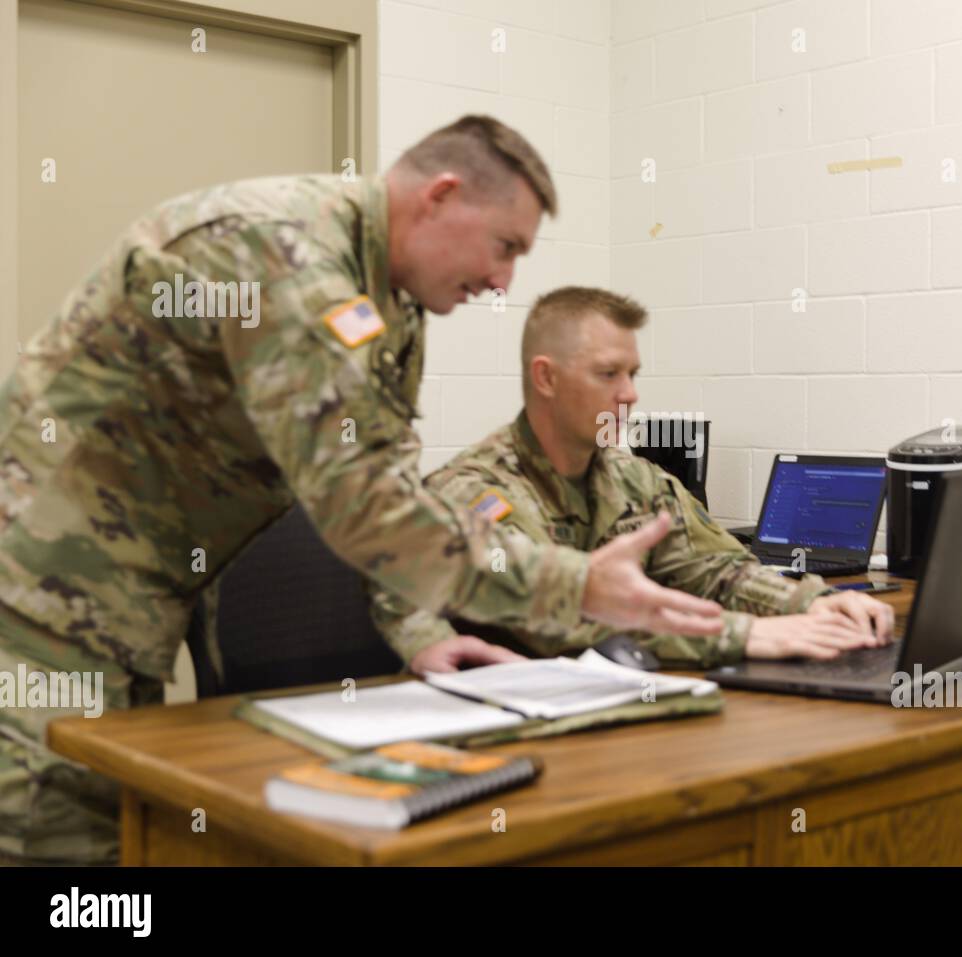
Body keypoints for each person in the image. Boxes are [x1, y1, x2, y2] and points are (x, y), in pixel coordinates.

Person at [0, 116, 720, 865]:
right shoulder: (288, 255)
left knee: (115, 844)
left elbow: (391, 483)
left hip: (133, 590)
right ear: (442, 195)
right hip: (41, 587)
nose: (505, 280)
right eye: (505, 246)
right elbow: (365, 511)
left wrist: (422, 636)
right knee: (53, 848)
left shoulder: (391, 299)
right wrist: (580, 586)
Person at [370, 286, 895, 674]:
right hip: (501, 719)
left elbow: (715, 570)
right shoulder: (478, 492)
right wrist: (746, 633)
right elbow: (564, 621)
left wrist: (809, 604)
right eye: (608, 374)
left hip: (617, 701)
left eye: (633, 374)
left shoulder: (634, 479)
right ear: (546, 378)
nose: (630, 394)